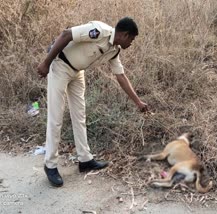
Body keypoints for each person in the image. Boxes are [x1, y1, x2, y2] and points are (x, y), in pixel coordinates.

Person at [37, 17, 149, 187]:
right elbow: (67, 34)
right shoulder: (99, 31)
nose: (131, 43)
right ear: (125, 35)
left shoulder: (114, 50)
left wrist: (138, 103)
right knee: (56, 118)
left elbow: (121, 77)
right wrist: (46, 62)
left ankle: (85, 160)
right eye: (132, 39)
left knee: (80, 116)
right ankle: (50, 165)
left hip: (77, 72)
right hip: (60, 65)